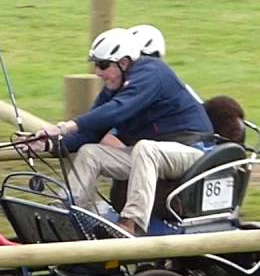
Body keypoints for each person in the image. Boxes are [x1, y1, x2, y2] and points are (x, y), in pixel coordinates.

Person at [32, 27, 213, 236]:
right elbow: (92, 131)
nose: (97, 72)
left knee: (145, 148)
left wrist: (65, 126)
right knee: (90, 152)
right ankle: (65, 214)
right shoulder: (115, 85)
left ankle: (131, 224)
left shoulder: (152, 73)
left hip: (193, 152)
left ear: (124, 62)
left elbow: (118, 109)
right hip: (154, 156)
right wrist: (49, 143)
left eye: (102, 65)